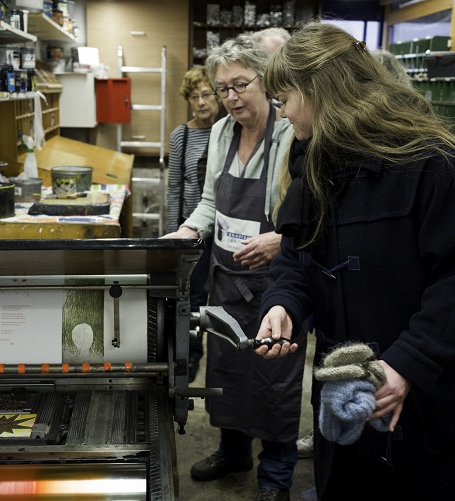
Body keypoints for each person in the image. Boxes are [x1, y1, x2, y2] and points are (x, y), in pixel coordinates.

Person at [254, 22, 455, 501]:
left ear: (322, 90)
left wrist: (405, 365)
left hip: (435, 396)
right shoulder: (315, 162)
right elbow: (295, 257)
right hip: (353, 395)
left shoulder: (434, 161)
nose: (281, 115)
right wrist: (284, 304)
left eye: (284, 99)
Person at [163, 34, 301, 501]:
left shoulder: (293, 132)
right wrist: (186, 232)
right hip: (226, 280)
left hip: (276, 283)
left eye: (239, 85)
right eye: (223, 89)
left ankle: (276, 478)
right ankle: (233, 451)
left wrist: (282, 240)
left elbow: (315, 211)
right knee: (228, 373)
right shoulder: (222, 132)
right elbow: (208, 203)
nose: (230, 97)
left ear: (266, 80)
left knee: (275, 380)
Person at [166, 66, 219, 382]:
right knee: (191, 297)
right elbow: (173, 187)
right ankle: (191, 359)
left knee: (224, 297)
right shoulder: (181, 135)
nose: (201, 102)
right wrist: (175, 234)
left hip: (224, 232)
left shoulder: (229, 131)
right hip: (191, 231)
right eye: (194, 96)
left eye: (207, 94)